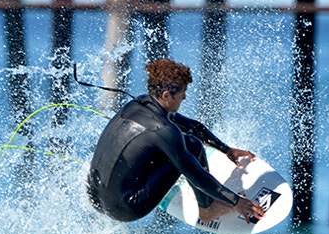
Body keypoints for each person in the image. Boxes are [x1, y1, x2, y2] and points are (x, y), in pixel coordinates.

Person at [87, 59, 266, 225]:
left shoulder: (138, 104)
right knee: (192, 146)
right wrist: (236, 201)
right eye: (182, 94)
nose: (185, 98)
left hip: (95, 197)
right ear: (166, 95)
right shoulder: (163, 130)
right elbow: (196, 174)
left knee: (174, 144)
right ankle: (208, 209)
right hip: (127, 208)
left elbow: (192, 126)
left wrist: (226, 150)